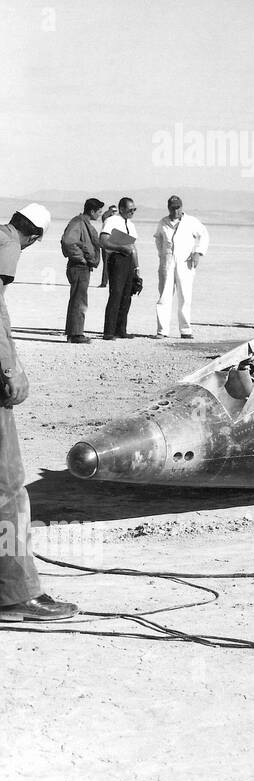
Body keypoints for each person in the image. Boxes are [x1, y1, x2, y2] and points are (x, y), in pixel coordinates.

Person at [0, 205, 78, 621]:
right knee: (8, 489)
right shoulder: (6, 244)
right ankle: (16, 597)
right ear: (33, 237)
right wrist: (10, 367)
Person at [153, 195, 210, 339]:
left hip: (185, 262)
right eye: (173, 208)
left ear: (182, 207)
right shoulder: (163, 222)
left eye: (178, 208)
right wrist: (162, 255)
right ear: (169, 208)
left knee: (185, 296)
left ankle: (185, 330)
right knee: (164, 296)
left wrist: (197, 253)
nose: (176, 211)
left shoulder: (191, 222)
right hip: (167, 262)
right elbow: (158, 239)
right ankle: (162, 330)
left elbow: (204, 236)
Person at [60, 197, 104, 344]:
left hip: (82, 267)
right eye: (99, 211)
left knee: (78, 299)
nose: (100, 214)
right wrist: (81, 258)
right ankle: (75, 334)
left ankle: (75, 332)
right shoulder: (78, 223)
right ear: (92, 211)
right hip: (78, 267)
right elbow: (67, 242)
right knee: (79, 300)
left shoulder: (82, 223)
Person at [99, 196, 142, 341]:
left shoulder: (131, 224)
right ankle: (109, 331)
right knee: (116, 294)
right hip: (117, 259)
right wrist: (121, 247)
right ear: (122, 209)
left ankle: (121, 329)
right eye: (130, 209)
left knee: (126, 295)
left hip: (128, 260)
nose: (132, 212)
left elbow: (133, 247)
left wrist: (137, 268)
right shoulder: (112, 221)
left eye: (134, 209)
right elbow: (104, 241)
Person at [97, 204, 117, 288]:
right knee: (106, 264)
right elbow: (104, 216)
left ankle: (113, 282)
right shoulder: (107, 219)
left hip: (114, 243)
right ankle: (104, 282)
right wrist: (110, 210)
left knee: (114, 264)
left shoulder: (117, 220)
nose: (114, 213)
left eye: (115, 211)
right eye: (113, 211)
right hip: (106, 243)